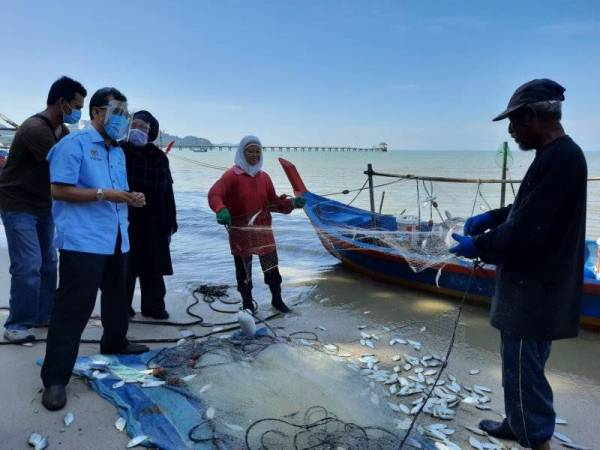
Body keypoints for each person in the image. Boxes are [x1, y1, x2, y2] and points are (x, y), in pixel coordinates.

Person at [450, 79, 587, 450]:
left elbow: (528, 231)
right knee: (516, 365)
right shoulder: (552, 157)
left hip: (537, 294)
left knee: (526, 372)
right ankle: (517, 423)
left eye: (514, 122)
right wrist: (491, 218)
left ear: (532, 117)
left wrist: (477, 245)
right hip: (530, 289)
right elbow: (526, 210)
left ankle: (537, 442)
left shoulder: (563, 159)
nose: (510, 131)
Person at [40, 87, 149, 411]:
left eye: (125, 114)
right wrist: (106, 194)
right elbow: (59, 190)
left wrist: (131, 197)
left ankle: (115, 341)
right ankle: (56, 378)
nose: (123, 119)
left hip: (116, 236)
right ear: (97, 113)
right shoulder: (72, 146)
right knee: (73, 308)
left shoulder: (118, 151)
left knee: (117, 298)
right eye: (118, 113)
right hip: (84, 241)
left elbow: (118, 191)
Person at [0, 76, 86, 343]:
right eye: (76, 105)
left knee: (49, 263)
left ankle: (43, 315)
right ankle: (17, 324)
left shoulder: (64, 131)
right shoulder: (35, 129)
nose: (78, 111)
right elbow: (64, 168)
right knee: (28, 265)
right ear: (61, 103)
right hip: (18, 205)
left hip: (43, 206)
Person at [208, 135, 305, 314]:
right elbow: (214, 194)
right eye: (250, 151)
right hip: (241, 233)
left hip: (263, 232)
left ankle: (277, 300)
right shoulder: (232, 176)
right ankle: (247, 304)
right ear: (241, 153)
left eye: (257, 151)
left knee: (272, 270)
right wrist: (220, 209)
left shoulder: (264, 177)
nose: (254, 154)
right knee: (244, 273)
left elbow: (273, 203)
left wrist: (292, 204)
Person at [122, 110, 177, 319]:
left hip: (155, 217)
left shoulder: (159, 157)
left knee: (154, 264)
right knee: (126, 265)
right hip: (126, 216)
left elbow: (168, 191)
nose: (138, 130)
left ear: (150, 131)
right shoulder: (119, 151)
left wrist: (172, 221)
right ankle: (123, 306)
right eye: (134, 125)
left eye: (143, 127)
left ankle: (153, 306)